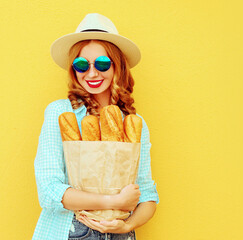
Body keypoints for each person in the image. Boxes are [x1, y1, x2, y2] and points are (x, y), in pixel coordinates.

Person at [33, 13, 159, 240]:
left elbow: (148, 196)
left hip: (120, 235)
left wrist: (126, 225)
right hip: (69, 231)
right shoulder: (61, 113)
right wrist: (113, 202)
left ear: (117, 66)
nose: (91, 73)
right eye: (82, 65)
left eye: (102, 63)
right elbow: (49, 191)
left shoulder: (134, 123)